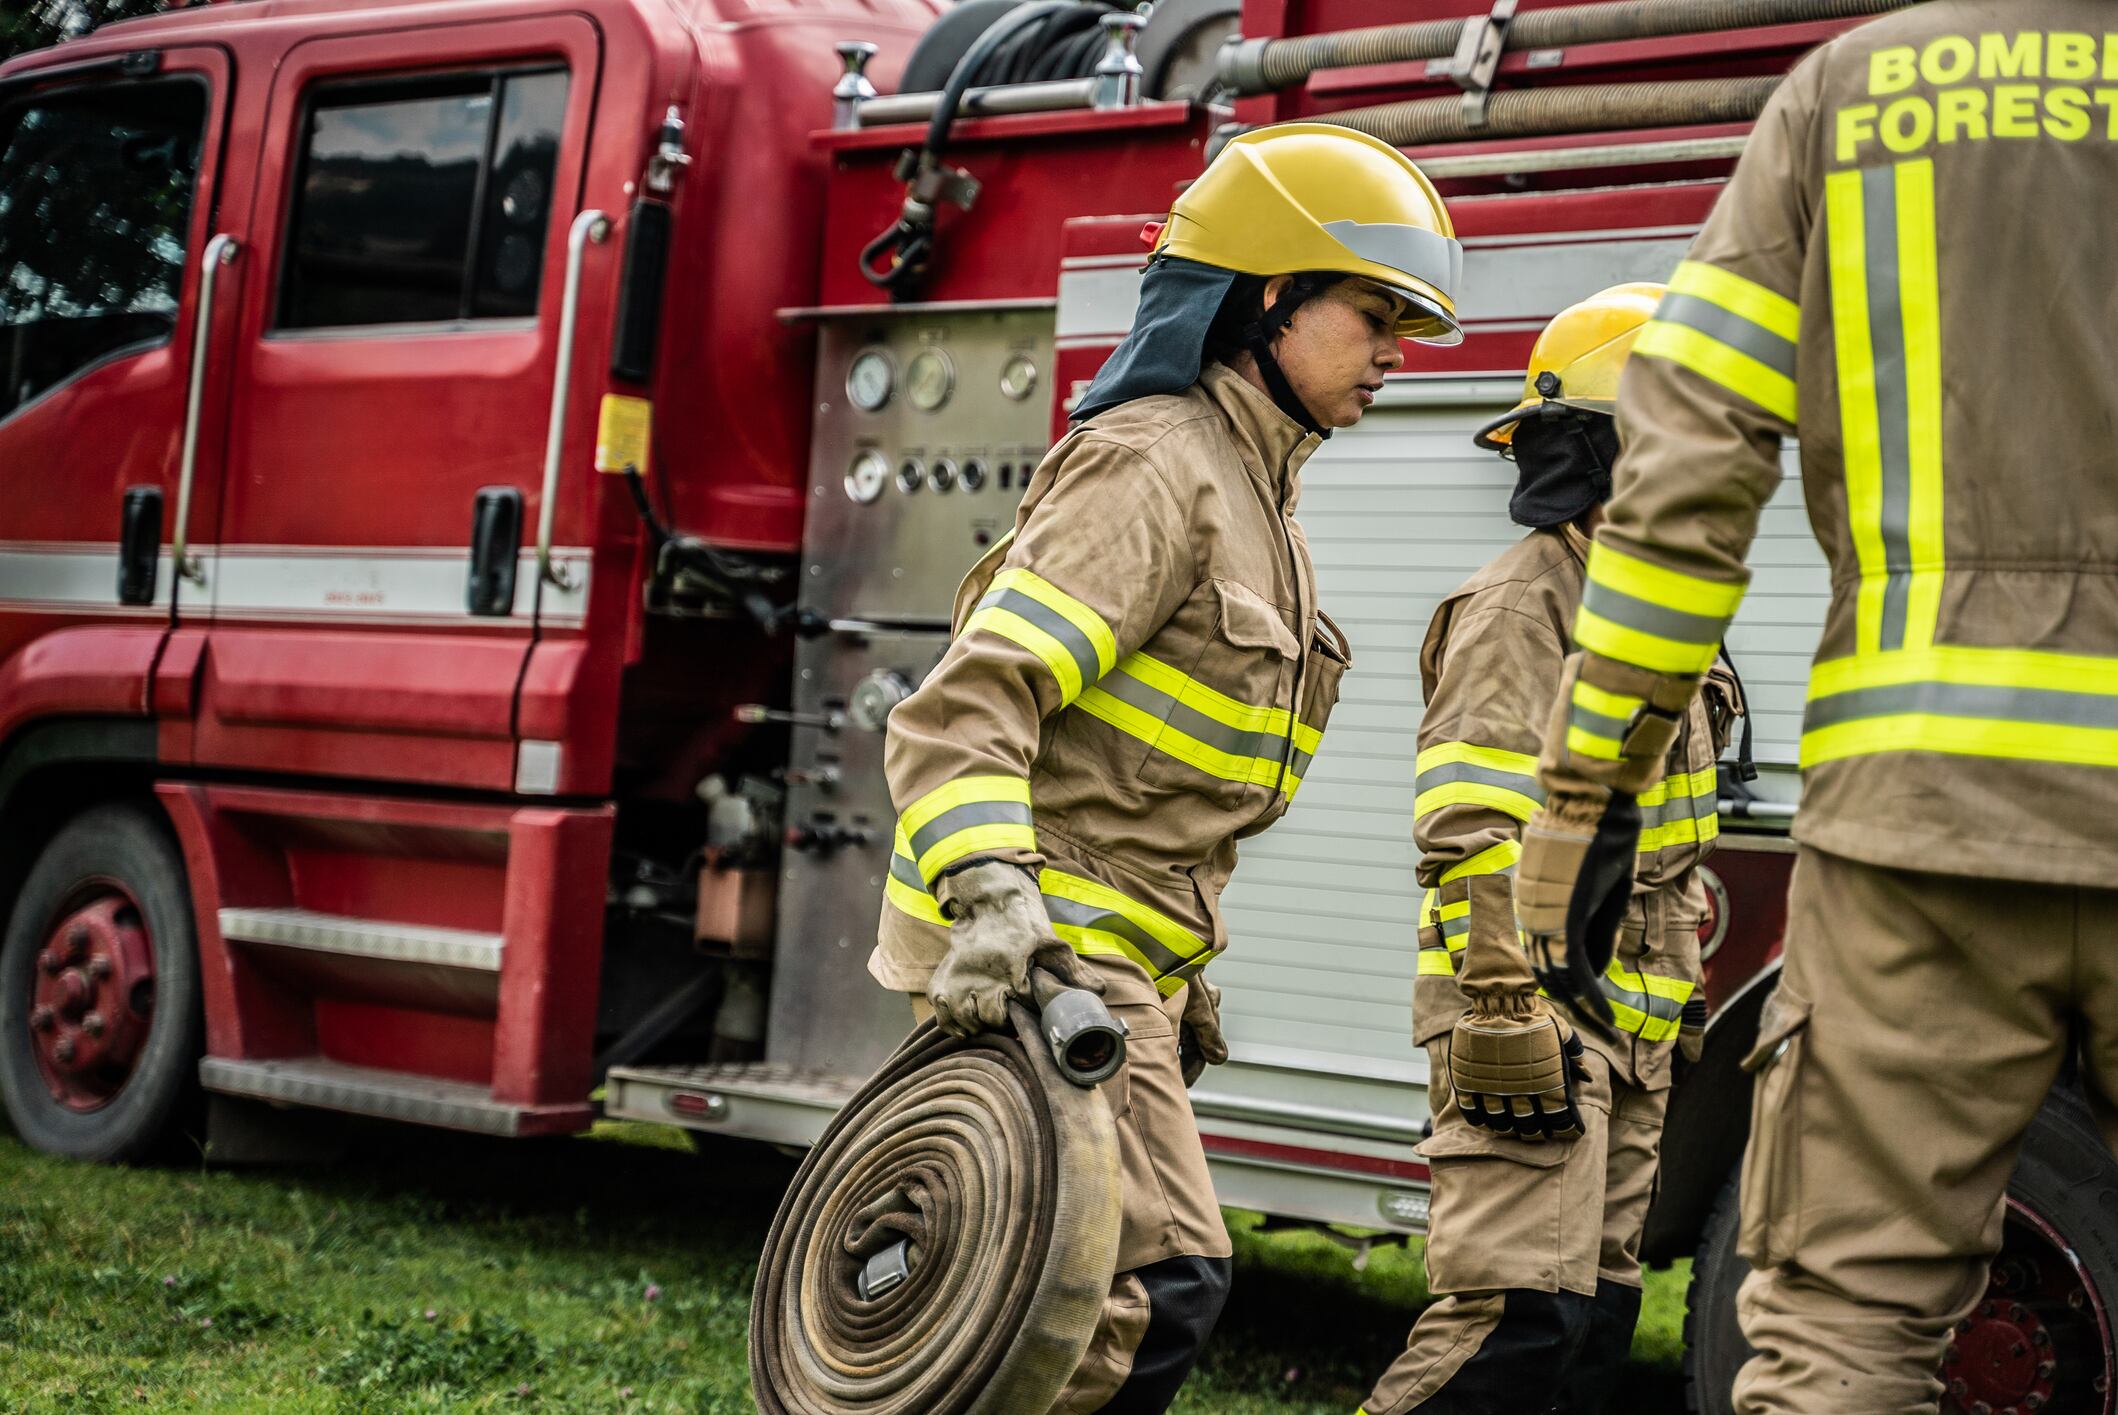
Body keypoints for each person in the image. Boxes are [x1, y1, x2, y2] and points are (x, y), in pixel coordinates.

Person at [1506, 6, 2118, 1412]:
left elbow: (1680, 473)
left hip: (1924, 820)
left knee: (1844, 1320)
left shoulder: (1854, 92)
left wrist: (1587, 785)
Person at [869, 122, 1464, 1413]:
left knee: (1048, 1293)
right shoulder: (1154, 464)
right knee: (1144, 1285)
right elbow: (966, 706)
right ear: (1265, 298)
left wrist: (1176, 972)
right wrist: (992, 901)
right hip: (1038, 941)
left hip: (1117, 960)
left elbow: (1170, 788)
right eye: (1371, 315)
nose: (1395, 353)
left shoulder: (1260, 491)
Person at [1358, 285, 1741, 1415]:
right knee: (1510, 1325)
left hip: (1630, 1021)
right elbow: (1472, 821)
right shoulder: (1527, 605)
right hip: (1536, 1009)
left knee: (1591, 1324)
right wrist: (1497, 1002)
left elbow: (1665, 845)